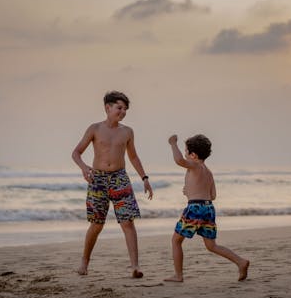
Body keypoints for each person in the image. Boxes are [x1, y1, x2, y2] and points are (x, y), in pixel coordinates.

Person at [72, 91, 153, 278]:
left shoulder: (127, 132)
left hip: (120, 178)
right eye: (119, 108)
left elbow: (133, 156)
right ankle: (84, 262)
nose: (123, 112)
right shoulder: (94, 129)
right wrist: (84, 168)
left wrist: (145, 178)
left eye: (125, 109)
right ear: (107, 108)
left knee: (127, 222)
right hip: (97, 179)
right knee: (96, 224)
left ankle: (135, 266)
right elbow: (76, 152)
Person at [164, 134, 249, 282]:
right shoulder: (208, 171)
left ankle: (178, 275)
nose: (185, 154)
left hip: (195, 208)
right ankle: (240, 262)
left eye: (186, 151)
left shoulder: (194, 165)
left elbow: (178, 160)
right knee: (212, 246)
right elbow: (213, 195)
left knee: (176, 241)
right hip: (208, 208)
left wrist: (173, 144)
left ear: (193, 155)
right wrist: (191, 192)